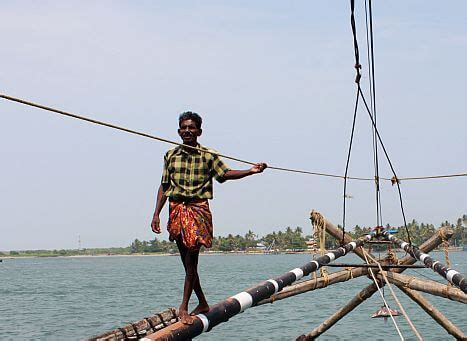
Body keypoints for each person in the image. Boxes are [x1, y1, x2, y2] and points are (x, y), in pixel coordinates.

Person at [151, 111, 267, 324]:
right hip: (176, 210)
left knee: (191, 260)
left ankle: (184, 307)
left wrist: (251, 171)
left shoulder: (209, 155)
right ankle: (202, 302)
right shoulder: (170, 155)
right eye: (184, 128)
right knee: (186, 263)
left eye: (191, 128)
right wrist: (156, 213)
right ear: (178, 131)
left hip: (197, 210)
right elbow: (165, 186)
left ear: (199, 132)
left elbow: (225, 174)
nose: (187, 131)